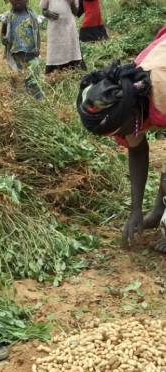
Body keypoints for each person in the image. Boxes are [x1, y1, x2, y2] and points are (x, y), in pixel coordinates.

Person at [77, 26, 166, 252]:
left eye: (119, 131)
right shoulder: (130, 90)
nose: (121, 137)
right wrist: (136, 209)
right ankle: (157, 213)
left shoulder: (161, 91)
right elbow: (137, 150)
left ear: (133, 114)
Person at [0, 0, 43, 99]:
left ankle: (38, 100)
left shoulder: (32, 16)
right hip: (15, 55)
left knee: (33, 79)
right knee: (16, 79)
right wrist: (3, 39)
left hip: (31, 54)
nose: (16, 2)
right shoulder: (8, 17)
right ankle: (18, 100)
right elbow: (2, 33)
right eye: (13, 0)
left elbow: (37, 34)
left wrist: (38, 49)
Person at [40, 0, 84, 74]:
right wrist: (48, 13)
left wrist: (72, 2)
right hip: (54, 29)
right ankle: (54, 72)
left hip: (69, 28)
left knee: (71, 48)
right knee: (55, 50)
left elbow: (76, 12)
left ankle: (72, 71)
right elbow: (44, 10)